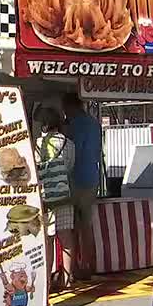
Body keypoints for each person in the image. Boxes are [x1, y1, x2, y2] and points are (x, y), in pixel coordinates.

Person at [34, 107, 76, 290]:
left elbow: (36, 170)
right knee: (66, 237)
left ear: (43, 124)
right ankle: (67, 279)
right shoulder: (69, 144)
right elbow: (69, 167)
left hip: (45, 197)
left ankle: (47, 282)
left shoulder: (38, 144)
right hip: (64, 194)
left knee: (48, 239)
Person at [60, 93, 100, 280]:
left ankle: (74, 267)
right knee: (87, 225)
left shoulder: (74, 125)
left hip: (75, 179)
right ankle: (89, 264)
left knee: (73, 226)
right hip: (92, 176)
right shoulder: (94, 124)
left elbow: (71, 152)